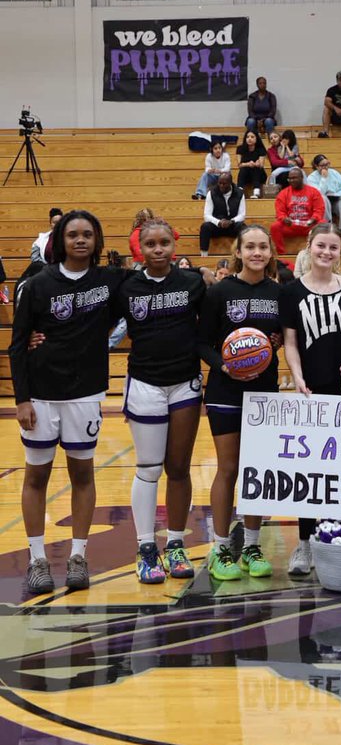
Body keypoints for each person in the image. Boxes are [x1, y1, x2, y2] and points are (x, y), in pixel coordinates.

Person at [9, 210, 127, 594]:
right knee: (36, 476)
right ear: (59, 240)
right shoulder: (37, 284)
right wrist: (22, 399)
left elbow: (147, 294)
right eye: (72, 234)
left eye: (87, 234)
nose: (80, 240)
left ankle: (78, 555)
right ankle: (37, 559)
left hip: (86, 394)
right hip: (41, 396)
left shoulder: (109, 281)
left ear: (97, 240)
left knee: (82, 474)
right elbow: (16, 344)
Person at [113, 219, 207, 584]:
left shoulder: (193, 282)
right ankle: (146, 547)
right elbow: (93, 323)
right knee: (149, 468)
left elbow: (211, 324)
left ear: (174, 244)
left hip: (185, 383)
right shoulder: (126, 287)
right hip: (145, 384)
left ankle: (177, 543)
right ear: (140, 247)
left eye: (164, 242)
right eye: (150, 243)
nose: (157, 249)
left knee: (179, 468)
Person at [198, 225, 283, 581]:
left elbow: (281, 337)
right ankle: (220, 547)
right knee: (229, 468)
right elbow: (201, 342)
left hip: (264, 391)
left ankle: (250, 544)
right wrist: (224, 365)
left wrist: (272, 347)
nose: (257, 252)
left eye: (263, 247)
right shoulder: (220, 292)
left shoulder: (280, 293)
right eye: (250, 246)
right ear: (238, 251)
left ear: (270, 253)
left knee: (257, 469)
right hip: (224, 392)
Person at [280, 223, 341, 575]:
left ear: (340, 252)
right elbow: (291, 342)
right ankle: (305, 542)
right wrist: (296, 376)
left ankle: (339, 535)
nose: (327, 253)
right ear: (309, 247)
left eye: (333, 247)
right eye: (321, 246)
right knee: (309, 471)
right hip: (311, 390)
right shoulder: (291, 292)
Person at [270, 167, 326, 255]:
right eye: (290, 178)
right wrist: (284, 218)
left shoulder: (313, 192)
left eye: (294, 178)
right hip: (291, 225)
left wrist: (313, 219)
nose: (292, 180)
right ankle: (281, 254)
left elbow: (319, 210)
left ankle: (318, 252)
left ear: (302, 178)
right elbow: (280, 212)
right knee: (275, 227)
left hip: (309, 225)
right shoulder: (283, 193)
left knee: (323, 225)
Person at [199, 171, 246, 257]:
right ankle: (204, 255)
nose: (221, 186)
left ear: (230, 183)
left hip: (232, 225)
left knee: (243, 227)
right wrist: (219, 222)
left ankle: (241, 254)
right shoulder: (212, 193)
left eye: (224, 184)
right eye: (219, 183)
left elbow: (242, 215)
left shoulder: (239, 193)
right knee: (205, 226)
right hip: (217, 226)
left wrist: (231, 221)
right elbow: (207, 215)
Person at [307, 154, 341, 232]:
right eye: (322, 165)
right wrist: (324, 178)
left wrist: (336, 195)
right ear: (316, 166)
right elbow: (318, 194)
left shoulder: (335, 173)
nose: (326, 167)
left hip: (335, 199)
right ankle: (326, 225)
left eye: (327, 164)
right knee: (323, 198)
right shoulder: (311, 178)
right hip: (320, 202)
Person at [236, 130, 268, 199]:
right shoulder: (240, 149)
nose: (249, 139)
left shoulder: (261, 149)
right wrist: (248, 164)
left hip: (259, 175)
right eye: (247, 137)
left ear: (256, 139)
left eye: (252, 137)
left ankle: (256, 192)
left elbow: (261, 164)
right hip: (246, 175)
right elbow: (239, 165)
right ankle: (239, 191)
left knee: (256, 169)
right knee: (243, 169)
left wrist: (257, 163)